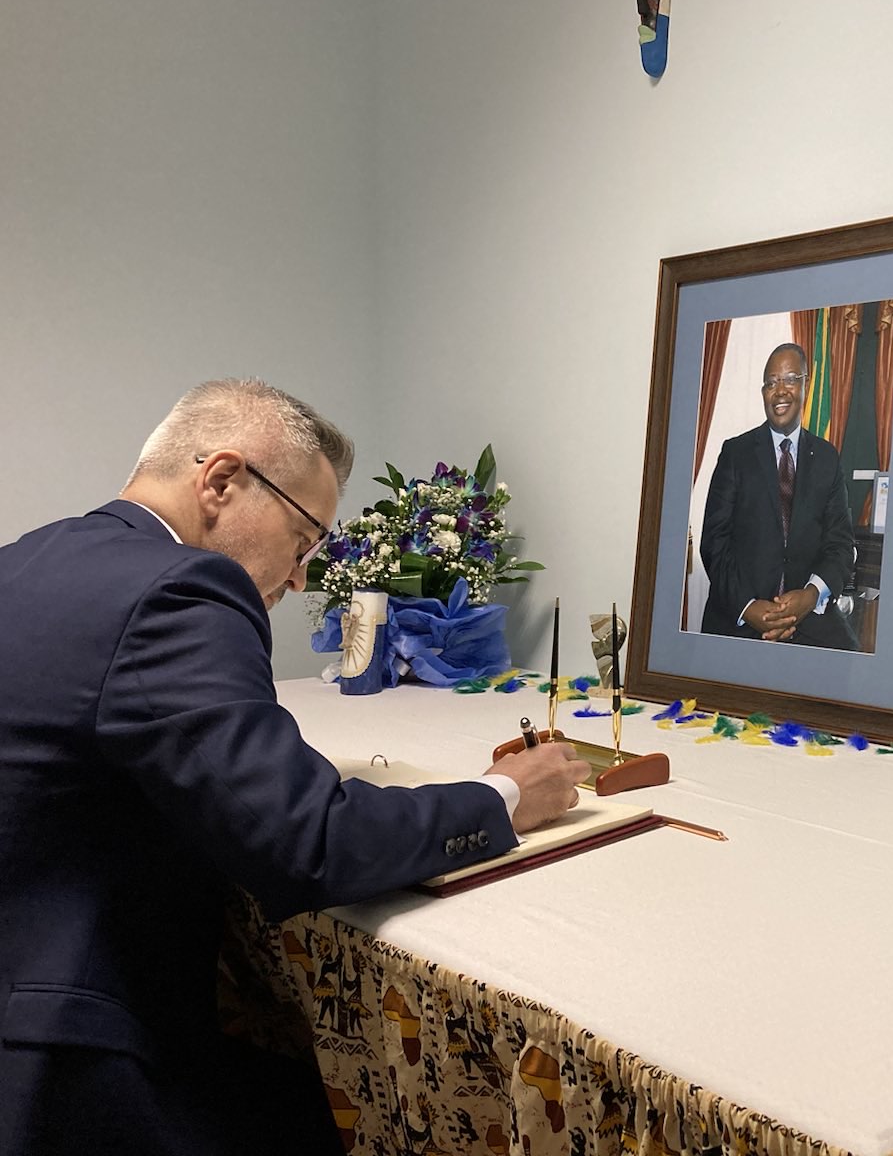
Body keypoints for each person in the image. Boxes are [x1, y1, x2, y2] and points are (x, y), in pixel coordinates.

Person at [0, 379, 592, 1156]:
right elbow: (311, 841)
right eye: (306, 538)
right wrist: (504, 795)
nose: (301, 576)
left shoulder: (27, 558)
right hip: (67, 1060)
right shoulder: (180, 590)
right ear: (221, 480)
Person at [699, 343, 858, 650]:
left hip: (809, 611)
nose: (780, 390)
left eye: (790, 379)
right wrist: (749, 607)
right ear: (763, 393)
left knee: (854, 665)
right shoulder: (735, 453)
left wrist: (810, 596)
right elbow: (714, 542)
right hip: (742, 612)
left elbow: (840, 543)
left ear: (806, 385)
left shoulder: (827, 458)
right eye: (771, 383)